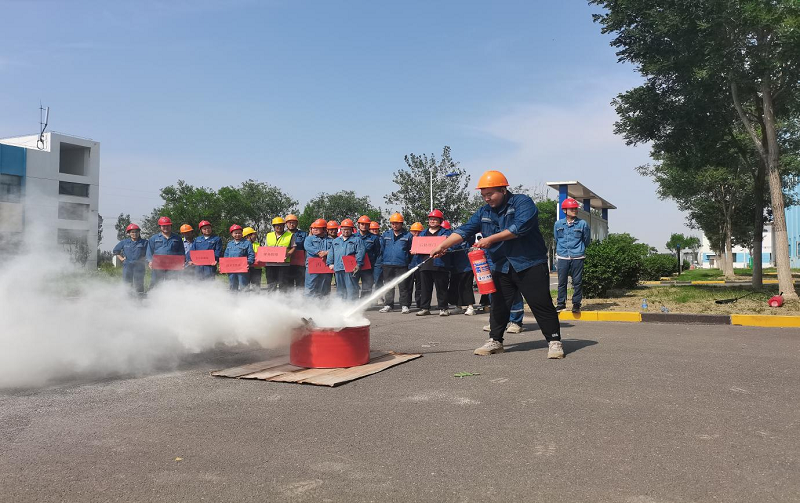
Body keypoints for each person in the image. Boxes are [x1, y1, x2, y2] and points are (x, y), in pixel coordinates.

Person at [430, 170, 564, 359]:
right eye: (483, 195)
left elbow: (519, 228)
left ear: (503, 190)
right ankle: (495, 341)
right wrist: (443, 245)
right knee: (499, 305)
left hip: (529, 263)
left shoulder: (522, 202)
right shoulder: (484, 212)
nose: (487, 199)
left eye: (490, 194)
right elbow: (465, 230)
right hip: (501, 265)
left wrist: (490, 239)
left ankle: (554, 341)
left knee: (540, 303)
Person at [554, 197, 591, 313]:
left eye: (575, 208)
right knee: (562, 282)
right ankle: (561, 304)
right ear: (564, 210)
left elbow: (586, 240)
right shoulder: (558, 224)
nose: (575, 210)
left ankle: (576, 304)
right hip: (562, 256)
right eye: (572, 209)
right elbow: (557, 238)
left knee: (577, 281)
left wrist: (579, 249)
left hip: (577, 256)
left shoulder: (582, 224)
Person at [413, 209, 452, 317]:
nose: (432, 221)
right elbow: (417, 247)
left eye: (435, 219)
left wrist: (447, 249)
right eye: (431, 219)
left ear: (440, 221)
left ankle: (443, 308)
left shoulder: (446, 233)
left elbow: (453, 245)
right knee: (425, 289)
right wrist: (415, 250)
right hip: (425, 264)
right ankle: (425, 308)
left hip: (440, 264)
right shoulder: (423, 233)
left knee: (441, 288)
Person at [378, 213, 413, 314]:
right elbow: (381, 249)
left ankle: (405, 305)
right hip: (387, 264)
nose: (395, 225)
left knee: (403, 286)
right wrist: (382, 261)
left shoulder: (408, 235)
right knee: (388, 285)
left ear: (401, 224)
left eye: (397, 223)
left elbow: (411, 251)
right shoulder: (386, 235)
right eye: (393, 223)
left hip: (402, 264)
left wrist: (409, 263)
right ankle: (388, 305)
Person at [326, 218, 365, 301]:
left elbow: (360, 252)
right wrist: (330, 263)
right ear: (341, 230)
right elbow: (331, 252)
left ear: (352, 230)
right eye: (344, 229)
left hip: (351, 268)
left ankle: (352, 304)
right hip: (338, 267)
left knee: (352, 288)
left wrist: (358, 264)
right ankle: (341, 304)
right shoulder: (336, 241)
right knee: (340, 289)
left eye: (348, 229)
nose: (346, 231)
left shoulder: (357, 240)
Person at [146, 216, 185, 287]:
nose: (166, 227)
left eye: (168, 226)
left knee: (172, 282)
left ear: (171, 226)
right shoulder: (153, 238)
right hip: (158, 264)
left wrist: (182, 262)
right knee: (156, 282)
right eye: (163, 226)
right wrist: (150, 261)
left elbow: (181, 252)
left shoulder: (177, 238)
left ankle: (170, 294)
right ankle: (153, 293)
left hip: (172, 265)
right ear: (160, 227)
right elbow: (149, 251)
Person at [112, 223, 148, 295]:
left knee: (139, 282)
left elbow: (149, 252)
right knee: (127, 282)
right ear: (129, 233)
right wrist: (121, 258)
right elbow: (116, 251)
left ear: (139, 232)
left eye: (136, 232)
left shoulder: (145, 242)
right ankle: (128, 297)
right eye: (132, 232)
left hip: (139, 266)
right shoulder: (124, 242)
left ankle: (140, 297)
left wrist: (144, 259)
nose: (135, 234)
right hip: (127, 265)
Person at [264, 216, 295, 292]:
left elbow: (293, 247)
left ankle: (283, 298)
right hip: (270, 264)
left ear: (284, 226)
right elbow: (265, 248)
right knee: (271, 283)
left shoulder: (290, 235)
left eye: (281, 225)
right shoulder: (269, 235)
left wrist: (288, 254)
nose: (279, 227)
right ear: (274, 226)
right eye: (277, 225)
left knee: (283, 283)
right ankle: (271, 297)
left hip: (283, 264)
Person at [303, 218, 332, 297]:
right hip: (313, 265)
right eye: (313, 228)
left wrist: (326, 253)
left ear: (324, 229)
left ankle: (324, 302)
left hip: (326, 265)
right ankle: (309, 302)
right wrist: (318, 252)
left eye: (317, 228)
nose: (314, 229)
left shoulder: (331, 240)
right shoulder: (309, 239)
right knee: (310, 285)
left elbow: (335, 249)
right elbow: (308, 247)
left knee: (325, 285)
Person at [355, 215, 380, 298]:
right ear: (358, 225)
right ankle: (353, 302)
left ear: (369, 225)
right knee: (353, 285)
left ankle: (365, 302)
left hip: (368, 267)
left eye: (366, 224)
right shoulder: (353, 237)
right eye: (362, 224)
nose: (364, 226)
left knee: (367, 286)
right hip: (355, 266)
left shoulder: (374, 238)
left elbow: (377, 252)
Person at [224, 224, 255, 292]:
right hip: (231, 269)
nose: (237, 235)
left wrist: (248, 262)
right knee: (232, 285)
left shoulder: (247, 243)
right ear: (232, 234)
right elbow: (226, 255)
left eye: (239, 233)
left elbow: (251, 255)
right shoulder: (229, 244)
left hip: (242, 269)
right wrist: (223, 265)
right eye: (235, 233)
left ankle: (244, 298)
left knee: (244, 286)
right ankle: (233, 297)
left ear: (242, 234)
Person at [285, 214, 306, 291]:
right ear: (286, 224)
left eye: (293, 222)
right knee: (288, 283)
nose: (291, 224)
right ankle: (289, 298)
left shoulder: (303, 234)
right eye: (289, 222)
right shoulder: (283, 235)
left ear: (297, 223)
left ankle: (300, 298)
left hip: (300, 263)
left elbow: (306, 248)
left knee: (300, 283)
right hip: (287, 262)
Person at [408, 222, 424, 309]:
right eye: (414, 231)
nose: (417, 233)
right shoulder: (407, 240)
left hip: (420, 266)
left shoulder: (424, 242)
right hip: (410, 266)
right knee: (408, 286)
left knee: (420, 286)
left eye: (419, 232)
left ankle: (420, 303)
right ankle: (407, 304)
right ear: (411, 231)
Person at [243, 227, 262, 291]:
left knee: (256, 287)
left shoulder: (258, 244)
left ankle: (256, 296)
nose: (255, 236)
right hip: (246, 268)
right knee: (245, 286)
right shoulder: (242, 245)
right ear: (248, 236)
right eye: (254, 234)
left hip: (256, 269)